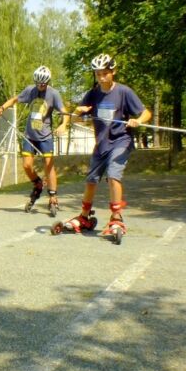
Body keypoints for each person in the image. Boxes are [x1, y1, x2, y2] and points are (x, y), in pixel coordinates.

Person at [58, 53, 151, 236]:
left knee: (113, 174)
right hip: (101, 144)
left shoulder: (124, 92)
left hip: (120, 141)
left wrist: (138, 121)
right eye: (98, 74)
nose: (101, 77)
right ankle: (84, 216)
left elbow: (146, 113)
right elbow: (76, 117)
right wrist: (77, 111)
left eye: (105, 73)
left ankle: (116, 217)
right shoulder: (93, 94)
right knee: (91, 180)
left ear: (113, 71)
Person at [0, 66, 68, 214]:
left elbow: (64, 112)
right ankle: (38, 184)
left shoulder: (54, 94)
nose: (41, 86)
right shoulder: (30, 90)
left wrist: (64, 124)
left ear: (48, 82)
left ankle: (53, 196)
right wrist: (2, 107)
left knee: (49, 165)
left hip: (45, 136)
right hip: (29, 135)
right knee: (27, 166)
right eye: (38, 83)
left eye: (44, 84)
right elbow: (15, 99)